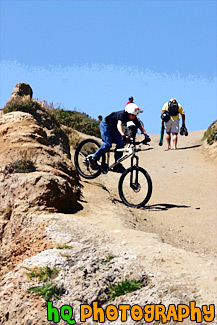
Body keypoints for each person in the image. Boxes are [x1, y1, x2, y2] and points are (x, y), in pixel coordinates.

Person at [90, 103, 150, 173]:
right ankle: (93, 159)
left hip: (113, 127)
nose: (134, 117)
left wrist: (146, 136)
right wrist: (123, 135)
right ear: (128, 113)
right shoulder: (122, 114)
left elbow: (140, 127)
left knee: (121, 143)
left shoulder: (134, 117)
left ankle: (117, 165)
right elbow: (119, 125)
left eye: (135, 115)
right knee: (107, 144)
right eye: (132, 115)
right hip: (106, 125)